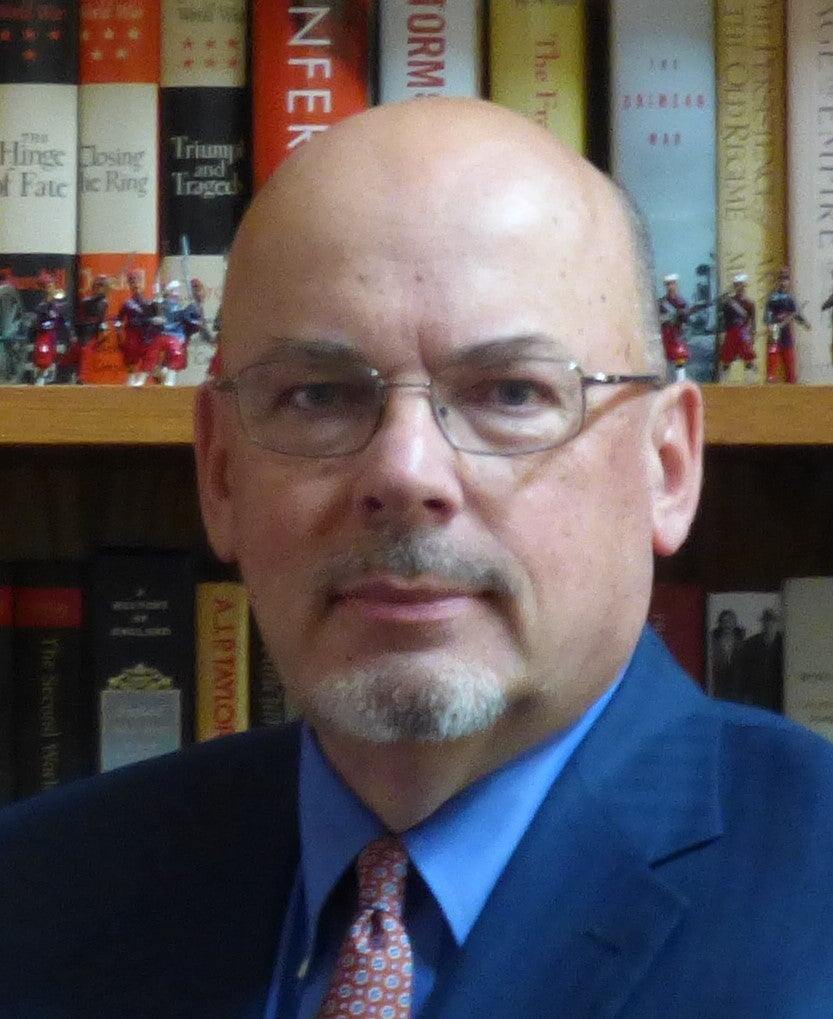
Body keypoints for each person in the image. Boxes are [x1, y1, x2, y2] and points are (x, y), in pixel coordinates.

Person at [2, 99, 833, 1018]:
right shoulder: (35, 895)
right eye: (317, 395)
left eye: (511, 392)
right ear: (219, 471)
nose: (403, 473)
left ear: (667, 467)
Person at [764, 266, 810, 383]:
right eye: (781, 279)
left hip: (786, 332)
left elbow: (796, 314)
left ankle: (791, 379)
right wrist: (770, 324)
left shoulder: (790, 298)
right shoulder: (773, 297)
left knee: (788, 355)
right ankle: (771, 377)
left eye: (785, 279)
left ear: (788, 281)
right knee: (773, 352)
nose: (783, 282)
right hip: (775, 330)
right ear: (778, 280)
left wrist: (804, 322)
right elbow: (768, 313)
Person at [718, 272, 757, 380]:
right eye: (736, 284)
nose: (739, 287)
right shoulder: (728, 302)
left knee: (747, 356)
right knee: (726, 358)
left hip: (743, 333)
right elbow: (724, 319)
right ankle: (724, 383)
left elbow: (752, 322)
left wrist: (752, 335)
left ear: (744, 285)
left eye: (741, 284)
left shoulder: (749, 303)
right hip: (731, 332)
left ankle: (750, 381)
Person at [657, 272, 691, 380]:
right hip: (666, 333)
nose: (670, 286)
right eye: (668, 284)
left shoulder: (682, 302)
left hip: (676, 333)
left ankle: (680, 381)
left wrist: (683, 316)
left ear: (676, 284)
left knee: (679, 357)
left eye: (672, 284)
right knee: (664, 358)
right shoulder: (661, 302)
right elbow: (658, 317)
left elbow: (686, 320)